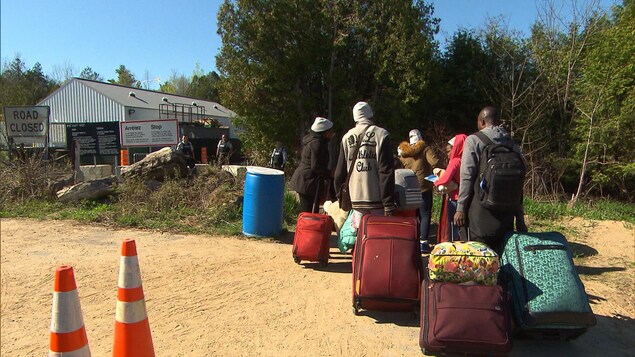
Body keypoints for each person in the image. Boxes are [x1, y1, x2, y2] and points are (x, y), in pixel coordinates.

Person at [454, 106, 527, 248]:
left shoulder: (474, 140)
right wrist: (520, 218)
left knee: (478, 260)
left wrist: (460, 208)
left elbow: (467, 176)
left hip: (480, 214)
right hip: (507, 214)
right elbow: (518, 182)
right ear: (498, 121)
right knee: (502, 255)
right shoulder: (510, 143)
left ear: (481, 122)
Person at [334, 101, 396, 229]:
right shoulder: (382, 135)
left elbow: (340, 172)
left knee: (361, 234)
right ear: (370, 115)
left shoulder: (347, 137)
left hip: (356, 196)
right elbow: (386, 171)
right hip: (377, 197)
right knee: (377, 236)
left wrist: (341, 196)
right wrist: (388, 202)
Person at [398, 129, 440, 246]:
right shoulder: (425, 149)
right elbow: (435, 161)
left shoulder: (403, 153)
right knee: (425, 214)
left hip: (408, 187)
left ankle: (411, 240)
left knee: (411, 214)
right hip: (424, 187)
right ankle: (423, 243)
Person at [289, 117, 335, 213]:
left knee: (311, 211)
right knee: (309, 213)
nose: (332, 133)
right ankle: (306, 228)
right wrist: (329, 174)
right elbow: (316, 166)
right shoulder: (317, 144)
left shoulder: (315, 141)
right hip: (307, 181)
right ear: (325, 132)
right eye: (331, 131)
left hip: (308, 181)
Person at [433, 134, 467, 242]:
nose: (447, 154)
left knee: (453, 227)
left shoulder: (455, 161)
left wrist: (436, 182)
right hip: (466, 198)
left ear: (455, 148)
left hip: (455, 198)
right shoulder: (467, 160)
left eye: (448, 151)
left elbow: (446, 178)